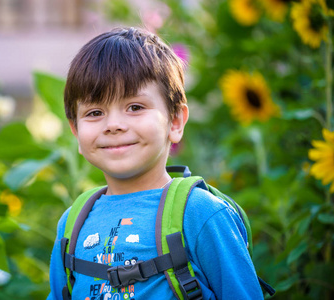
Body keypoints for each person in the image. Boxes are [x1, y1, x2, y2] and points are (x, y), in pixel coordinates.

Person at [47, 27, 263, 300]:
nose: (113, 125)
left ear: (175, 121)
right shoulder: (73, 223)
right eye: (95, 112)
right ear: (76, 131)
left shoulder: (200, 214)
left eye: (135, 107)